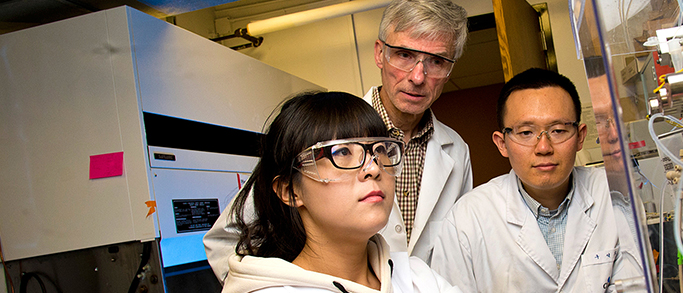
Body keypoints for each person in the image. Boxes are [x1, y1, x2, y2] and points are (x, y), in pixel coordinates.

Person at [206, 0, 472, 282]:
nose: (418, 77)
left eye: (437, 61)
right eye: (404, 55)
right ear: (380, 53)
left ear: (450, 69)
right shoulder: (322, 133)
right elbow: (226, 240)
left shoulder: (456, 150)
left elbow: (458, 246)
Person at [220, 91, 459, 292]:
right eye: (342, 152)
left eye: (380, 149)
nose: (374, 168)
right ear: (290, 190)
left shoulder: (418, 279)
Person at [430, 68, 643, 292]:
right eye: (525, 133)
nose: (543, 147)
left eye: (558, 130)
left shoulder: (615, 195)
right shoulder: (467, 219)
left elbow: (636, 284)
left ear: (580, 137)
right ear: (502, 143)